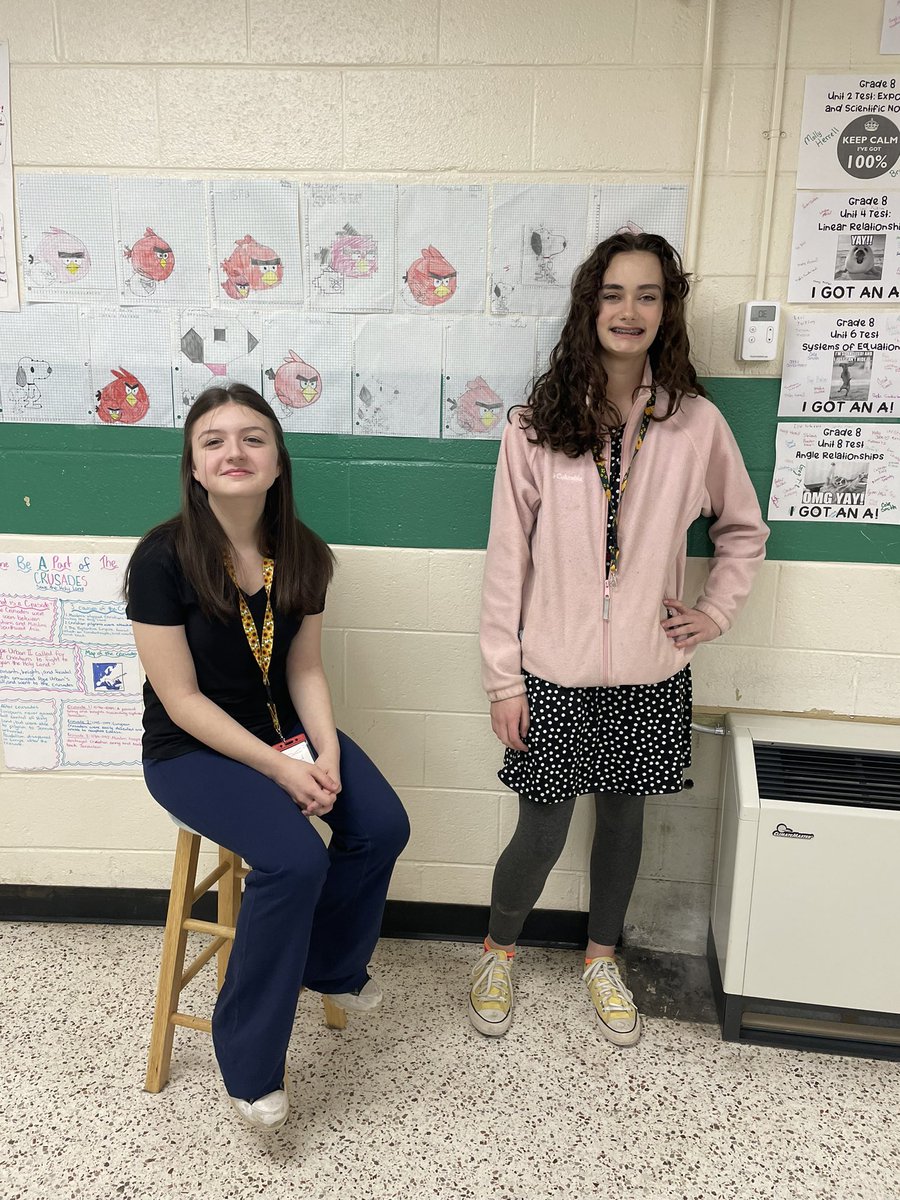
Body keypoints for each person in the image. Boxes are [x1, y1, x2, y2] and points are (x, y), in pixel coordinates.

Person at [471, 232, 768, 1046]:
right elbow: (506, 564)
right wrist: (505, 679)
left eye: (646, 295)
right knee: (541, 828)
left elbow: (744, 532)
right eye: (612, 293)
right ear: (587, 306)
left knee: (626, 825)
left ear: (665, 311)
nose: (628, 311)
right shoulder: (534, 426)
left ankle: (602, 957)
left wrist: (712, 612)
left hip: (650, 670)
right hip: (552, 674)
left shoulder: (695, 423)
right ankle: (499, 946)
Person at [125, 383, 409, 1130]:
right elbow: (182, 701)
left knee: (381, 824)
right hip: (194, 750)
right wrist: (283, 768)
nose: (234, 452)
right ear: (192, 467)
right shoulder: (162, 558)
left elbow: (305, 670)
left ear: (279, 462)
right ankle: (249, 1068)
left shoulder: (304, 553)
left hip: (287, 731)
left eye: (253, 437)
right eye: (213, 440)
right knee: (294, 862)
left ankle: (330, 968)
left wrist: (328, 753)